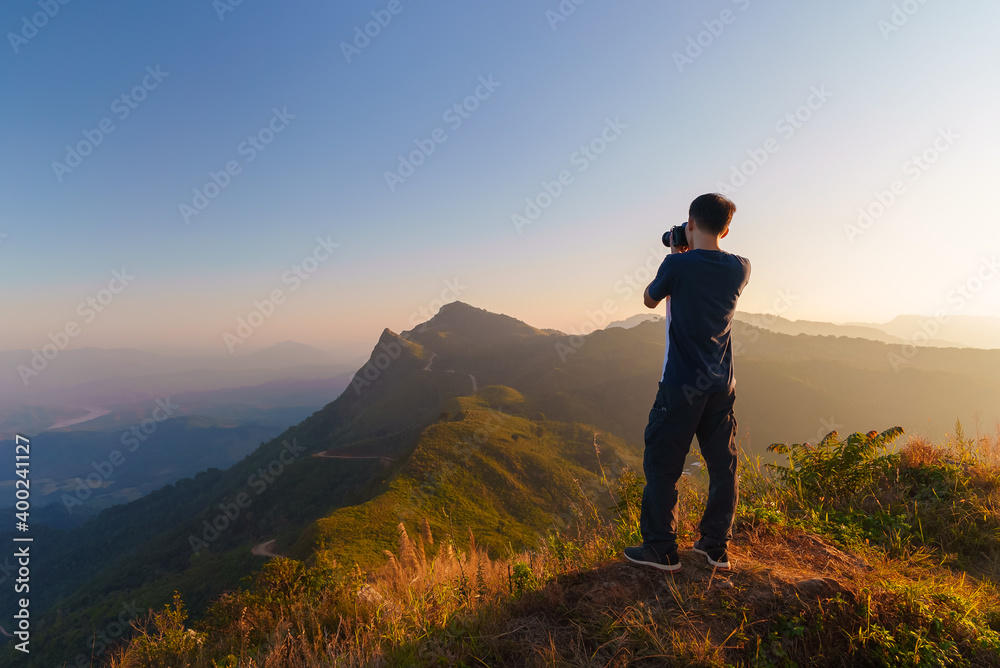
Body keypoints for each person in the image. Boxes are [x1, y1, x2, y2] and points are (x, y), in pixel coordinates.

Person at [624, 193, 751, 572]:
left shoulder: (676, 265)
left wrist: (677, 256)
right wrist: (688, 252)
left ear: (690, 223)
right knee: (722, 467)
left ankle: (661, 551)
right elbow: (707, 273)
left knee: (663, 466)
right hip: (721, 385)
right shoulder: (741, 268)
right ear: (726, 229)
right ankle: (715, 547)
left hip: (680, 386)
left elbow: (649, 299)